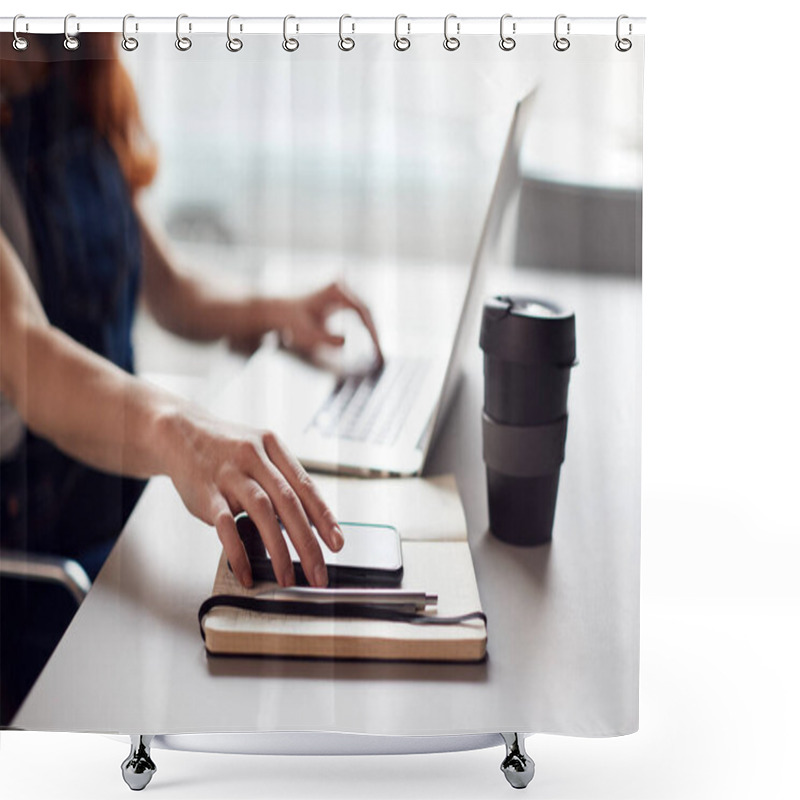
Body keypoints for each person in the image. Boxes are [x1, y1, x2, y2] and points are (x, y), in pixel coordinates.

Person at [0, 34, 381, 721]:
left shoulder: (77, 83)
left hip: (127, 519)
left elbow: (168, 287)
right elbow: (26, 359)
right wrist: (181, 432)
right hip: (52, 574)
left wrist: (280, 309)